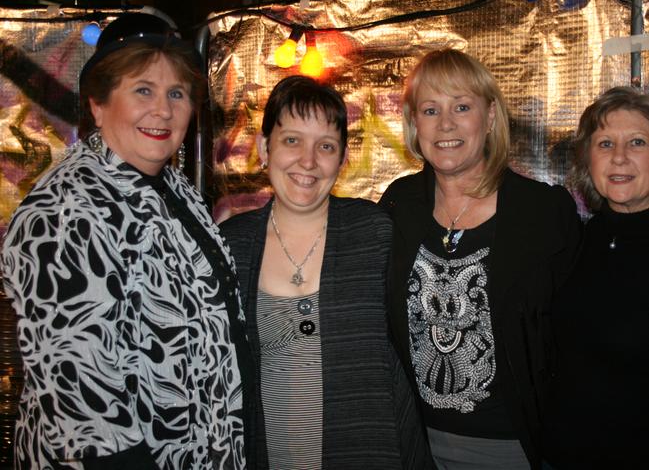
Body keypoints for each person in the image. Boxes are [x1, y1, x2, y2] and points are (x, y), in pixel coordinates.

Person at [1, 13, 252, 470]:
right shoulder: (60, 213)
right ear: (98, 104)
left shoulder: (175, 190)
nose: (163, 110)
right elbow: (85, 405)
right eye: (143, 90)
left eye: (177, 93)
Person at [378, 48, 581, 470]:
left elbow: (576, 339)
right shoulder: (399, 205)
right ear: (415, 123)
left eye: (462, 107)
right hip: (415, 446)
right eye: (431, 110)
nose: (446, 124)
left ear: (489, 118)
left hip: (513, 448)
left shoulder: (544, 213)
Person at [219, 75, 431, 469]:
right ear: (265, 148)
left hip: (369, 450)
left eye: (326, 146)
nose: (308, 161)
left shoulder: (375, 233)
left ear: (342, 159)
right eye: (292, 140)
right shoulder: (231, 245)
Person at [542, 86, 649, 468]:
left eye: (637, 141)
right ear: (588, 160)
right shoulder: (577, 240)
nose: (619, 157)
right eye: (605, 144)